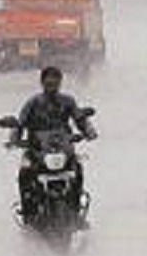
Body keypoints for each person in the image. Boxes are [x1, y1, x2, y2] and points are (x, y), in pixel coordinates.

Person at [12, 65, 96, 226]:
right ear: (42, 82)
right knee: (24, 173)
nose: (51, 84)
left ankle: (75, 211)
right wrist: (14, 138)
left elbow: (79, 118)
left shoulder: (68, 101)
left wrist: (88, 131)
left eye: (55, 81)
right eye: (48, 81)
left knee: (78, 168)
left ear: (60, 82)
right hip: (37, 149)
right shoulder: (33, 103)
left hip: (62, 148)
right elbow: (20, 123)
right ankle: (28, 213)